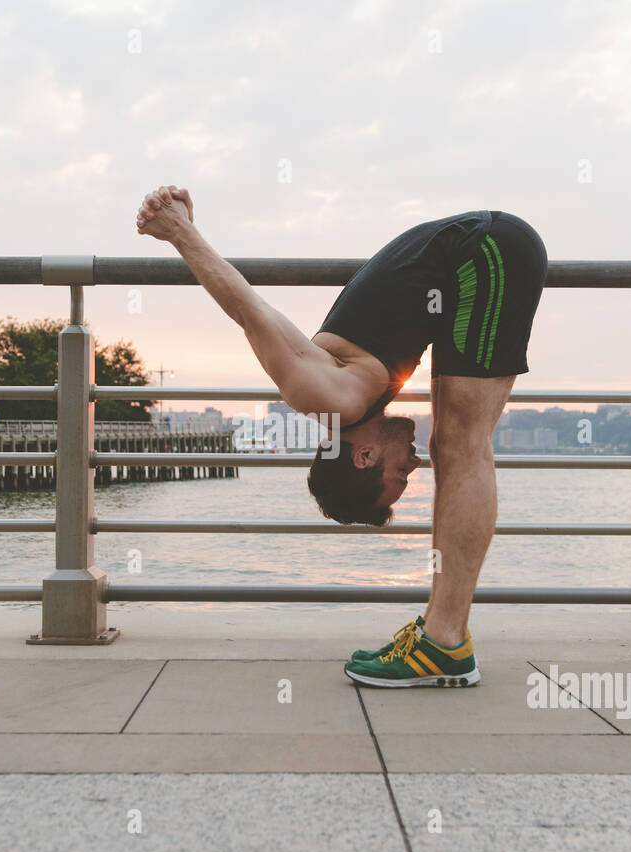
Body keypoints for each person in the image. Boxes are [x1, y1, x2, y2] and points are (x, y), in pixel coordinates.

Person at [136, 185, 547, 688]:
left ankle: (444, 643)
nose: (412, 467)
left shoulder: (331, 397)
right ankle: (441, 634)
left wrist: (182, 233)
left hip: (485, 252)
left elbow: (249, 310)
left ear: (364, 456)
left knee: (461, 446)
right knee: (451, 446)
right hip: (477, 253)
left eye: (399, 474)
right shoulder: (347, 390)